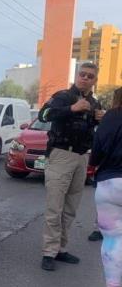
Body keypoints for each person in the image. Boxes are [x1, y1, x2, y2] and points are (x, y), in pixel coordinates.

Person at [38, 62, 103, 271]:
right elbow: (43, 116)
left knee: (70, 208)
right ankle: (49, 251)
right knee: (54, 207)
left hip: (82, 157)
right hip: (61, 154)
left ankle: (60, 249)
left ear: (95, 80)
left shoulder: (95, 103)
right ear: (77, 76)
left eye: (90, 76)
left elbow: (92, 130)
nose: (85, 78)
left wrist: (99, 119)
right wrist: (71, 108)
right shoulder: (63, 96)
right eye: (82, 74)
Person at [90, 87, 122, 287]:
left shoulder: (110, 117)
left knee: (113, 239)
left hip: (110, 185)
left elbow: (96, 155)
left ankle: (113, 284)